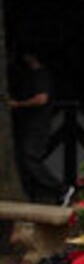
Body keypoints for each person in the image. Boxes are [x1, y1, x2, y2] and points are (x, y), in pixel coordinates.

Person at [7, 47, 63, 203]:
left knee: (30, 158)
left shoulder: (41, 75)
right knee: (23, 160)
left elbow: (42, 98)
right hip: (29, 125)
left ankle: (60, 189)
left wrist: (19, 104)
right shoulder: (30, 75)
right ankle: (35, 194)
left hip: (38, 126)